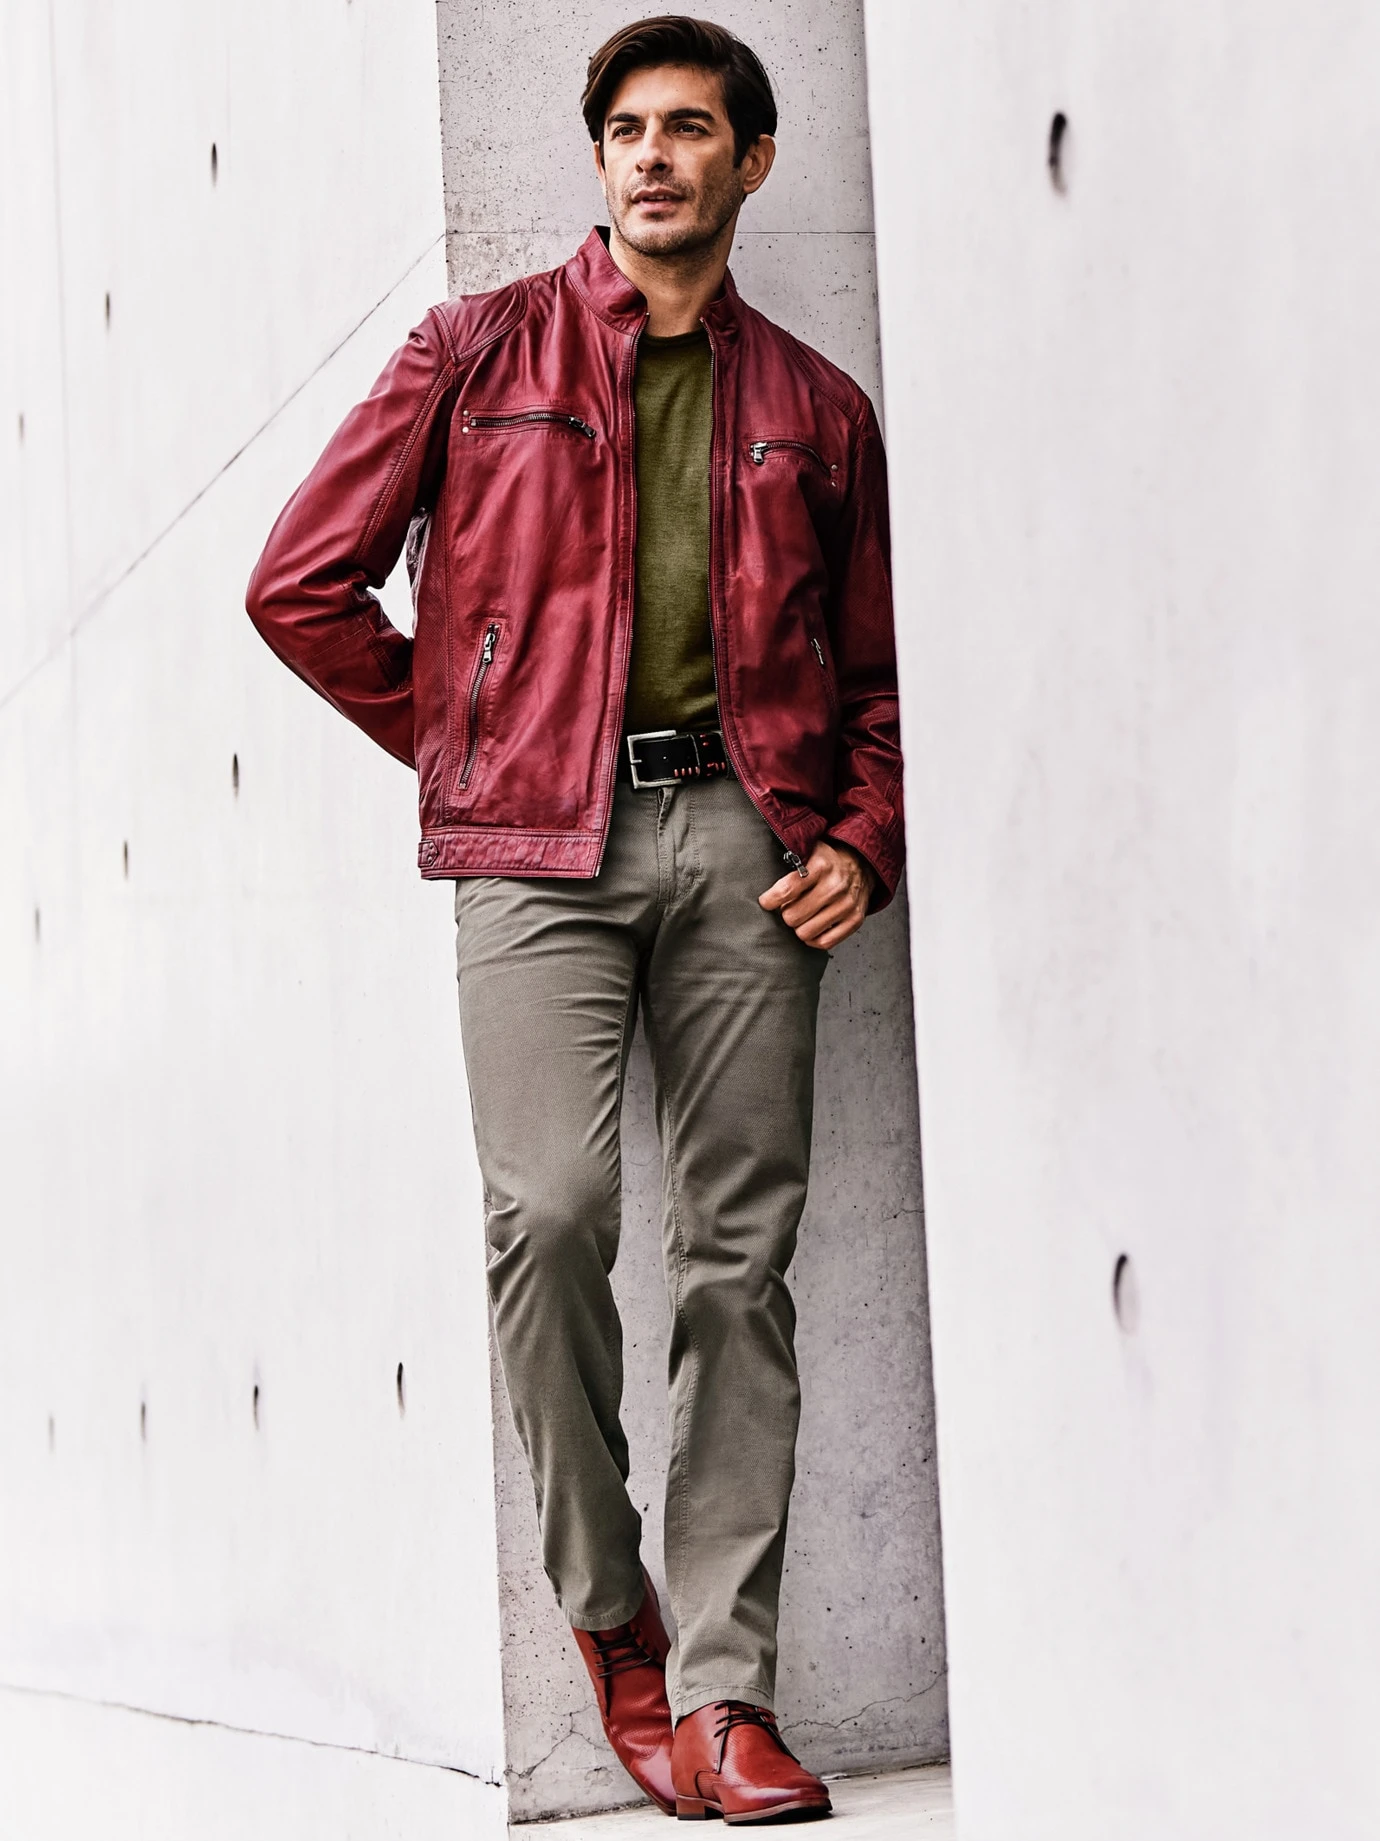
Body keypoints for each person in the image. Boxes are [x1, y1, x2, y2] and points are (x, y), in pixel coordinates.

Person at [246, 15, 902, 1824]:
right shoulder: (475, 351)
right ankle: (613, 1620)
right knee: (545, 1219)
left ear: (752, 162)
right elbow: (300, 584)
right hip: (540, 851)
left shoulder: (818, 411)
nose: (654, 156)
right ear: (598, 157)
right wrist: (477, 747)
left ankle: (725, 1695)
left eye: (691, 129)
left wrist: (866, 837)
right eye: (627, 129)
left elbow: (876, 675)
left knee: (738, 1261)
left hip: (752, 843)